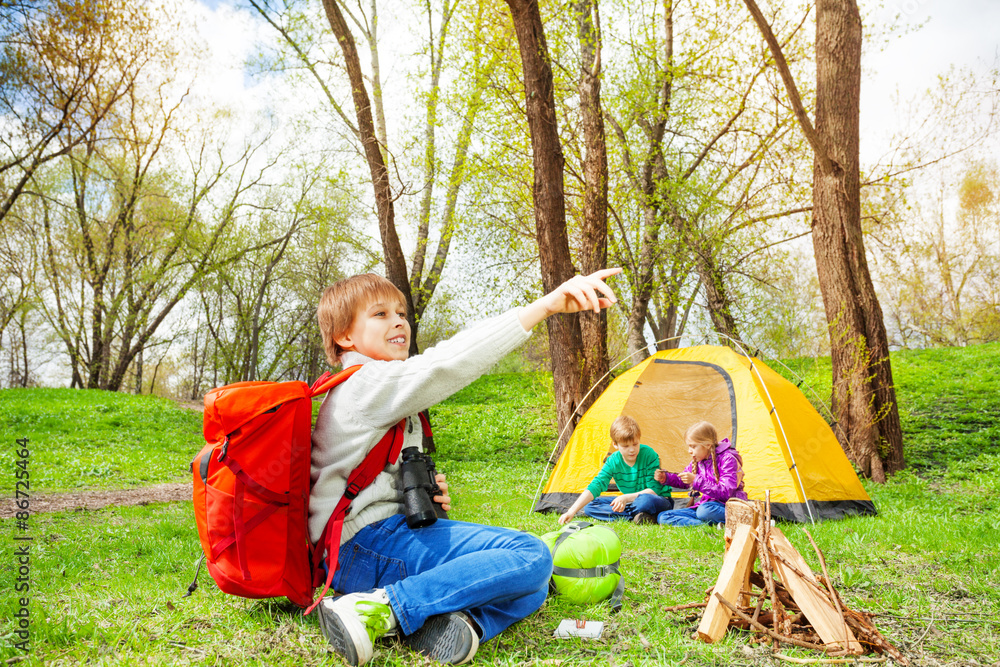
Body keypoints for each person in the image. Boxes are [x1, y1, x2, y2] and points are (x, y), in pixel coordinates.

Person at [310, 268, 621, 666]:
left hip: (379, 541)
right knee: (530, 555)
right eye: (380, 314)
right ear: (344, 337)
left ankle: (459, 623)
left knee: (532, 585)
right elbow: (447, 364)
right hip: (360, 547)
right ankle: (378, 609)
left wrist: (417, 492)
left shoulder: (376, 386)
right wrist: (545, 307)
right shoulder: (364, 384)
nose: (399, 321)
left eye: (401, 312)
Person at [556, 415, 673, 526]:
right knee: (590, 506)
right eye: (626, 446)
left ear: (639, 439)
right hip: (632, 503)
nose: (632, 450)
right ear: (615, 444)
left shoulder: (649, 454)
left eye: (635, 444)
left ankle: (634, 514)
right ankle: (641, 516)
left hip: (656, 500)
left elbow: (654, 491)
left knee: (645, 501)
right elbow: (596, 485)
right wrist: (571, 511)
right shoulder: (613, 461)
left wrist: (625, 498)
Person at [653, 421, 746, 526]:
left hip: (727, 507)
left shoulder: (728, 459)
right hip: (705, 506)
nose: (689, 451)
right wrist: (666, 478)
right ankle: (706, 525)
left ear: (707, 445)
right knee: (664, 516)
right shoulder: (699, 461)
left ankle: (738, 520)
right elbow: (684, 480)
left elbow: (726, 492)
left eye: (693, 446)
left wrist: (695, 480)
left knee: (704, 511)